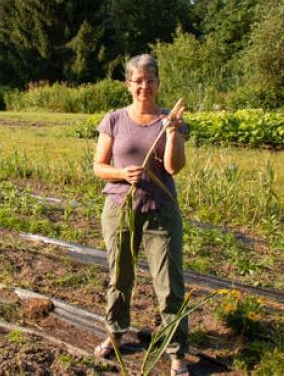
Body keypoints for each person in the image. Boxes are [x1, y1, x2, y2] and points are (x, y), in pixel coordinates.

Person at [92, 54, 189, 375]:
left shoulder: (170, 119)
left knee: (170, 283)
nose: (144, 86)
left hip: (161, 213)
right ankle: (115, 334)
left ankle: (177, 353)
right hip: (120, 211)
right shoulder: (114, 120)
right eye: (138, 81)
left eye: (150, 80)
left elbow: (174, 167)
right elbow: (98, 167)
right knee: (120, 277)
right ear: (128, 85)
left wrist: (173, 133)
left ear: (158, 84)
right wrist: (122, 174)